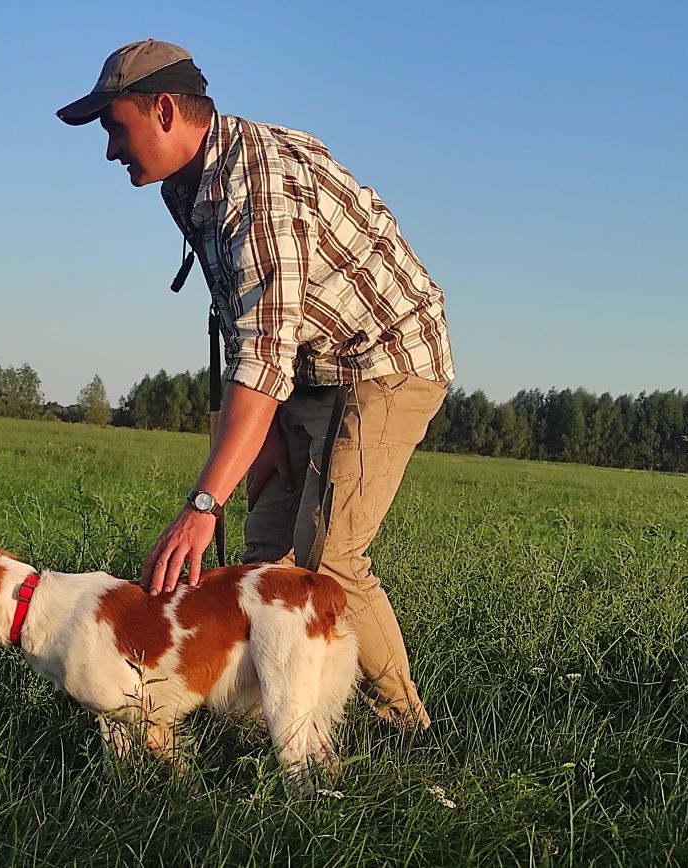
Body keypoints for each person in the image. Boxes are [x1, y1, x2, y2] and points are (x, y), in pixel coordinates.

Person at [57, 40, 454, 732]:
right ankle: (283, 723)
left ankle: (406, 728)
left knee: (331, 560)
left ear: (165, 110)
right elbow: (247, 324)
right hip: (308, 369)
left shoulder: (256, 185)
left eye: (115, 129)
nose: (111, 151)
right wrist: (265, 433)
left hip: (386, 358)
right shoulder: (188, 184)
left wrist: (205, 502)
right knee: (267, 565)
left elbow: (266, 350)